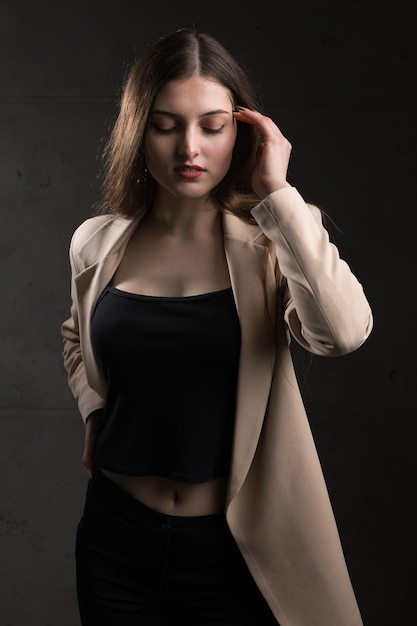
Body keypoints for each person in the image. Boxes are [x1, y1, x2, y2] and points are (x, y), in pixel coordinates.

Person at [61, 28, 373, 626]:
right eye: (166, 124)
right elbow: (76, 335)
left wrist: (277, 194)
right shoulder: (95, 241)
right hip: (115, 539)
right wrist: (94, 410)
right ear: (138, 130)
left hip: (237, 547)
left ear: (243, 131)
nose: (189, 148)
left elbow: (343, 333)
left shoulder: (274, 238)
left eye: (212, 124)